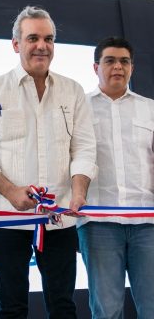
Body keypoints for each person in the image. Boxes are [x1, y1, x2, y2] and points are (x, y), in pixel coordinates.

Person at [0, 6, 97, 319]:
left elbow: (84, 148)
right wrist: (11, 191)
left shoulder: (73, 91)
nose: (42, 45)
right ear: (16, 44)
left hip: (60, 218)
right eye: (33, 38)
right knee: (12, 308)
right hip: (8, 218)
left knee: (63, 307)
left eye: (49, 38)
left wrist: (79, 191)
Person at [77, 37, 154, 319]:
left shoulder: (151, 109)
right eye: (110, 61)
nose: (117, 67)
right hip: (99, 224)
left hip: (148, 223)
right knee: (107, 311)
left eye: (124, 61)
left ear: (132, 68)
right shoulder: (78, 109)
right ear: (96, 67)